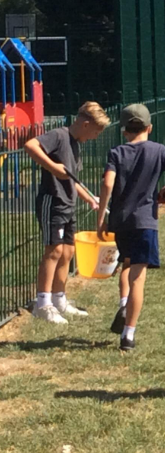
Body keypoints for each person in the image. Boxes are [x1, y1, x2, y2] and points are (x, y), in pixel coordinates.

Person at [97, 104, 165, 351]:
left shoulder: (116, 152)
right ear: (149, 127)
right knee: (138, 276)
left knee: (126, 264)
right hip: (145, 222)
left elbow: (107, 185)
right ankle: (128, 334)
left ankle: (123, 303)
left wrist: (101, 217)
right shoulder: (158, 150)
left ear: (124, 130)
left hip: (121, 221)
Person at [24, 102, 110, 324]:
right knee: (54, 251)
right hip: (53, 202)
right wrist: (53, 167)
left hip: (68, 205)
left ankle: (59, 298)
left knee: (68, 252)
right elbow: (30, 146)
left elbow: (73, 180)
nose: (95, 137)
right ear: (85, 124)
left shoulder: (75, 145)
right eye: (95, 132)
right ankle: (43, 304)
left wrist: (90, 199)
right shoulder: (59, 135)